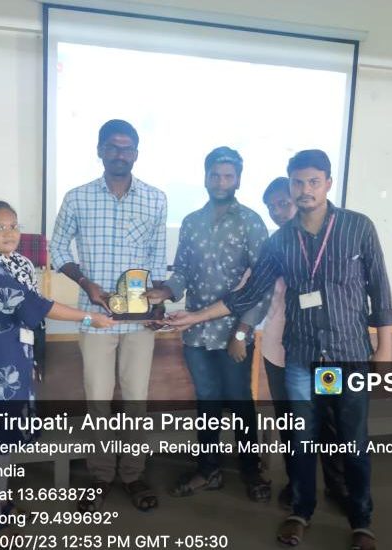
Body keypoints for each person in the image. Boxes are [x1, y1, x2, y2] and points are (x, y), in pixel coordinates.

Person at [166, 150, 392, 550]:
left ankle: (362, 522)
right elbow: (248, 294)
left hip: (345, 354)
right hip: (302, 358)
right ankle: (301, 512)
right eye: (298, 182)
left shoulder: (357, 226)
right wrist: (194, 317)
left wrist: (385, 348)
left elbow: (379, 289)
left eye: (313, 182)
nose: (305, 190)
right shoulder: (280, 241)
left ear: (328, 183)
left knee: (351, 439)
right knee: (300, 438)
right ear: (290, 185)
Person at [0, 200, 113, 538]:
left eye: (13, 226)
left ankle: (0, 503)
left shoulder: (16, 264)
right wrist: (90, 317)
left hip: (11, 359)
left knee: (6, 439)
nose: (9, 233)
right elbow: (35, 307)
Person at [49, 119, 167, 512]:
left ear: (136, 153)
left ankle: (133, 475)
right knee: (98, 399)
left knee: (136, 398)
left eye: (127, 147)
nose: (120, 154)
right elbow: (57, 249)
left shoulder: (155, 199)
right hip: (95, 316)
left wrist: (157, 306)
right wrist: (86, 283)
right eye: (113, 147)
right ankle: (101, 475)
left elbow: (157, 260)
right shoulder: (77, 197)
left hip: (139, 319)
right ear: (100, 150)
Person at [144, 146, 272, 502]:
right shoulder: (191, 222)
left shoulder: (251, 222)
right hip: (196, 332)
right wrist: (166, 291)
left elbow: (262, 284)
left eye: (228, 176)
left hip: (234, 332)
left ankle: (251, 471)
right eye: (215, 175)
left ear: (238, 180)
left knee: (240, 402)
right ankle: (208, 469)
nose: (221, 182)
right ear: (205, 178)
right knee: (208, 403)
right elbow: (182, 273)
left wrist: (243, 331)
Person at [260, 177, 347, 512]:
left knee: (330, 421)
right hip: (278, 352)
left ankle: (338, 486)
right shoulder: (273, 246)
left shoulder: (328, 242)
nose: (278, 211)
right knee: (290, 423)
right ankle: (297, 485)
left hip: (324, 350)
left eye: (283, 203)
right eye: (271, 207)